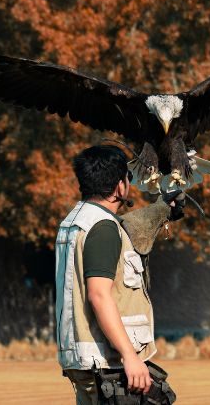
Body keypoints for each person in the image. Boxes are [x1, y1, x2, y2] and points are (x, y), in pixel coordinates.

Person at [55, 145, 181, 404]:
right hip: (107, 364)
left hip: (86, 361)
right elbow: (98, 295)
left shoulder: (75, 221)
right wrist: (130, 356)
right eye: (128, 178)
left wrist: (164, 207)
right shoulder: (103, 228)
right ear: (120, 186)